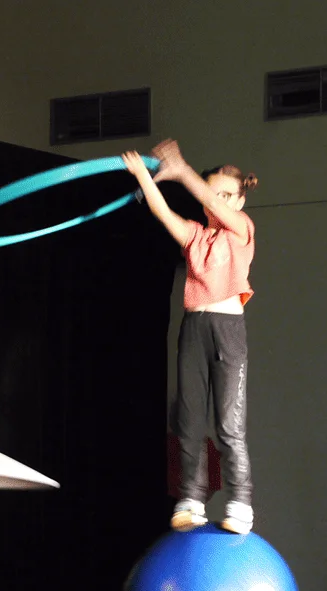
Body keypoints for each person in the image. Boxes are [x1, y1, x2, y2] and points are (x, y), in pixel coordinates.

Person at [122, 139, 259, 535]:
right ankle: (191, 497)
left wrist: (182, 170)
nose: (218, 201)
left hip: (227, 331)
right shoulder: (197, 235)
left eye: (227, 195)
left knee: (229, 425)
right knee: (189, 421)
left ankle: (241, 502)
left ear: (240, 202)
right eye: (212, 194)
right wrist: (145, 179)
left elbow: (217, 208)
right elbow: (162, 211)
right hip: (194, 330)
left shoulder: (242, 230)